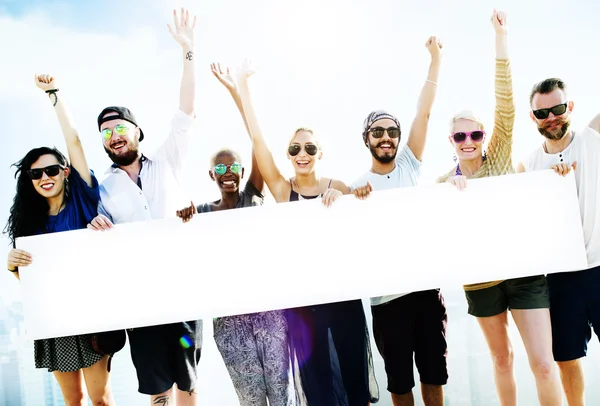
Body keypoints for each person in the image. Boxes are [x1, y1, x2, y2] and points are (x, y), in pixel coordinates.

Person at [436, 10, 563, 406]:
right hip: (480, 282)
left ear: (484, 135)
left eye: (475, 132)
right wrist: (451, 197)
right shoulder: (442, 185)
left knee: (543, 364)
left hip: (524, 273)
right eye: (461, 135)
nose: (469, 140)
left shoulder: (500, 156)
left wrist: (500, 39)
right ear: (452, 140)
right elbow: (436, 235)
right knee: (501, 359)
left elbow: (505, 103)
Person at [235, 59, 379, 406]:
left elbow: (363, 218)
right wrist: (243, 88)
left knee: (353, 382)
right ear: (288, 155)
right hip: (304, 304)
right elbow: (258, 140)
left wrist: (351, 195)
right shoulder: (283, 191)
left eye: (310, 148)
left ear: (320, 154)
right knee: (317, 389)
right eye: (296, 149)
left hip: (343, 297)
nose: (303, 154)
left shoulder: (340, 186)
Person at [86, 8, 201, 406]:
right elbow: (99, 233)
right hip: (140, 298)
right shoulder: (101, 186)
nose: (114, 137)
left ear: (137, 131)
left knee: (188, 382)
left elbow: (186, 111)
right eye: (106, 133)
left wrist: (188, 51)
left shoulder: (167, 160)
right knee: (156, 388)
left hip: (184, 288)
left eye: (120, 128)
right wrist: (96, 221)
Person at [175, 63, 293, 406]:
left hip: (270, 313)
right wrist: (185, 215)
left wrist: (236, 93)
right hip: (229, 322)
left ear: (242, 171)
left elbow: (258, 139)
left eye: (234, 167)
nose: (229, 173)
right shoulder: (204, 214)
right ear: (211, 174)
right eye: (221, 169)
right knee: (251, 401)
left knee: (281, 397)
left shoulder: (253, 195)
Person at [4, 74, 115, 406]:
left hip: (92, 310)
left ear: (65, 171)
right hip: (55, 316)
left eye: (51, 170)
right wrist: (12, 266)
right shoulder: (30, 223)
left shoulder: (82, 197)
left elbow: (75, 142)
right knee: (74, 401)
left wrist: (54, 95)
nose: (45, 178)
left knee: (100, 400)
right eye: (36, 174)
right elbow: (29, 279)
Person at [349, 35, 445, 406]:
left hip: (424, 290)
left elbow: (424, 112)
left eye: (392, 132)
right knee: (400, 384)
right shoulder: (356, 187)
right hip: (387, 301)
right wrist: (341, 198)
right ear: (366, 139)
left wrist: (435, 59)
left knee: (433, 377)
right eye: (378, 132)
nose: (386, 137)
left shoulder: (409, 164)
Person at [515, 75, 600, 406]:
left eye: (558, 108)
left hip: (599, 266)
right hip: (560, 277)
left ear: (571, 108)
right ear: (532, 118)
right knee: (566, 357)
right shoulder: (529, 166)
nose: (551, 117)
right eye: (542, 113)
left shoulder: (593, 140)